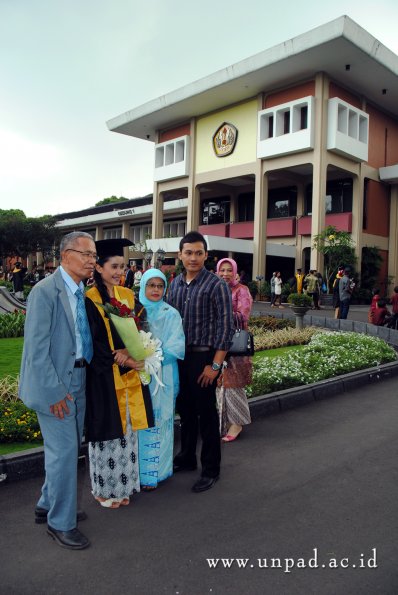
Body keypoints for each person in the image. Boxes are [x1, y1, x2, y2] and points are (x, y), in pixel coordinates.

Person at [19, 231, 96, 550]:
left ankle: (46, 503)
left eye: (94, 256)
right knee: (65, 454)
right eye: (87, 254)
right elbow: (36, 351)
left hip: (79, 379)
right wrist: (55, 393)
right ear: (66, 256)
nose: (93, 261)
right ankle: (60, 522)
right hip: (55, 385)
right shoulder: (45, 291)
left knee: (66, 449)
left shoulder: (81, 291)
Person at [84, 238, 154, 509]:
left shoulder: (126, 295)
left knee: (126, 431)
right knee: (107, 433)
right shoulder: (89, 299)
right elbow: (94, 342)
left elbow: (142, 329)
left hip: (130, 375)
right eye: (113, 266)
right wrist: (126, 360)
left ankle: (124, 487)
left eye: (122, 266)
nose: (119, 272)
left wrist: (142, 353)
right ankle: (103, 490)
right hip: (104, 377)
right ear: (99, 268)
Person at [166, 231, 233, 493]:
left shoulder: (216, 285)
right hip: (179, 357)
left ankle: (211, 469)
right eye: (188, 253)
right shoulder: (175, 285)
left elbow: (226, 328)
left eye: (198, 253)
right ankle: (187, 457)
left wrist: (215, 366)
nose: (193, 258)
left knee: (206, 415)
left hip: (203, 357)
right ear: (180, 255)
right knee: (185, 411)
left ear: (206, 255)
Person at [137, 269, 185, 490]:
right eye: (151, 285)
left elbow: (176, 346)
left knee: (162, 421)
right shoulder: (134, 312)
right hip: (137, 375)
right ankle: (137, 472)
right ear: (143, 286)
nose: (155, 290)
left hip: (164, 375)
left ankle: (158, 473)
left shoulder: (171, 313)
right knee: (140, 421)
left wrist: (152, 356)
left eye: (159, 286)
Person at [216, 258, 252, 441]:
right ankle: (224, 423)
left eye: (229, 270)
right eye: (222, 270)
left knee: (233, 386)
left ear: (235, 272)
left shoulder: (241, 290)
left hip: (234, 347)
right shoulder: (215, 288)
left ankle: (237, 424)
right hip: (216, 345)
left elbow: (243, 316)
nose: (225, 274)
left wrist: (220, 314)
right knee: (219, 385)